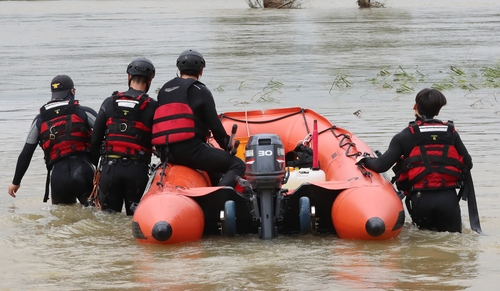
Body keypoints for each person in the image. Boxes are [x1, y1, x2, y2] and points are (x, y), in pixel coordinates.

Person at [356, 88, 472, 233]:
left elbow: (381, 165)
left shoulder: (404, 136)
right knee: (452, 243)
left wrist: (363, 160)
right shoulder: (451, 133)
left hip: (420, 199)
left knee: (424, 243)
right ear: (438, 111)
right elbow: (468, 163)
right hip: (449, 199)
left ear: (415, 107)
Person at [152, 49, 245, 188]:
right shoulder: (201, 91)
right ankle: (220, 199)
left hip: (165, 153)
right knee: (237, 165)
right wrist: (227, 146)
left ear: (179, 69)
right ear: (201, 71)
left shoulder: (164, 90)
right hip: (190, 152)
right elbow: (215, 127)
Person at [8, 75, 97, 205]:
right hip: (83, 172)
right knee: (94, 216)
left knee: (62, 221)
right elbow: (108, 131)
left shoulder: (40, 119)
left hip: (58, 178)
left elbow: (26, 152)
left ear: (52, 93)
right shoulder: (83, 112)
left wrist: (16, 182)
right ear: (72, 91)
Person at [91, 57, 158, 215]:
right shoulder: (153, 106)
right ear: (150, 80)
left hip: (110, 170)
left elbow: (94, 141)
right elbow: (159, 140)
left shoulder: (109, 102)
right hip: (137, 171)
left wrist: (99, 168)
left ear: (129, 77)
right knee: (134, 218)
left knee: (108, 219)